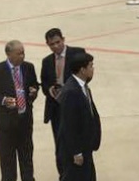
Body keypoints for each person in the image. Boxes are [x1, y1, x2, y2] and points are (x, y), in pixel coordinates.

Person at [0, 39, 39, 181]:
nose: (22, 56)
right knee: (8, 163)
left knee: (27, 160)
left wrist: (34, 91)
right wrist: (3, 100)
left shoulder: (28, 67)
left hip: (24, 122)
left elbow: (34, 85)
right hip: (5, 125)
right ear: (8, 54)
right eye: (19, 54)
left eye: (23, 53)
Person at [40, 28, 84, 177]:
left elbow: (86, 77)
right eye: (51, 44)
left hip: (75, 107)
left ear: (63, 40)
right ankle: (63, 175)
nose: (55, 46)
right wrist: (50, 90)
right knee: (60, 146)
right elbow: (44, 83)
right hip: (56, 109)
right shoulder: (46, 61)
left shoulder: (77, 53)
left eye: (58, 42)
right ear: (47, 44)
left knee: (78, 143)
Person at [56, 51, 101, 181]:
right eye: (91, 66)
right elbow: (69, 125)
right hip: (77, 151)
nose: (93, 69)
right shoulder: (71, 91)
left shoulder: (83, 87)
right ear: (82, 70)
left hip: (85, 146)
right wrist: (76, 152)